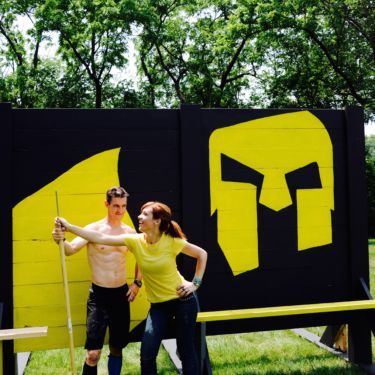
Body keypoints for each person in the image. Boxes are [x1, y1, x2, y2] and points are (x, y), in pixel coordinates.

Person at [55, 201, 208, 375]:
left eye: (144, 214)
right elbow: (100, 238)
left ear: (157, 221)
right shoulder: (135, 241)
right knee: (147, 354)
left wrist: (194, 284)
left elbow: (202, 254)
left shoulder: (171, 241)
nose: (139, 217)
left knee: (186, 351)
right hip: (158, 305)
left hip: (182, 301)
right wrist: (68, 227)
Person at [52, 186, 142, 375]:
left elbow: (143, 257)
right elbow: (70, 250)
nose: (120, 210)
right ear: (106, 204)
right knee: (93, 353)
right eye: (116, 205)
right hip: (99, 296)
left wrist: (137, 283)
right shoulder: (93, 229)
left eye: (124, 206)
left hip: (121, 294)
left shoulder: (129, 232)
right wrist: (59, 239)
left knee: (117, 348)